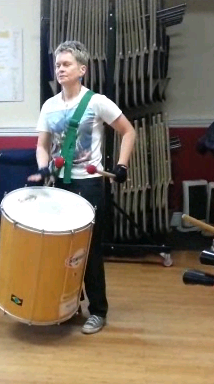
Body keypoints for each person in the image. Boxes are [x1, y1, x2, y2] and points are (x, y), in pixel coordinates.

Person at [30, 40, 135, 334]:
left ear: (82, 69)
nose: (60, 69)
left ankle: (98, 311)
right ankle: (68, 303)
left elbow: (128, 132)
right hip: (59, 184)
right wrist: (42, 167)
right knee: (60, 246)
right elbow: (42, 145)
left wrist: (122, 165)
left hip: (89, 184)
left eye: (66, 64)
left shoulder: (96, 102)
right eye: (58, 65)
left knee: (88, 248)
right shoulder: (49, 106)